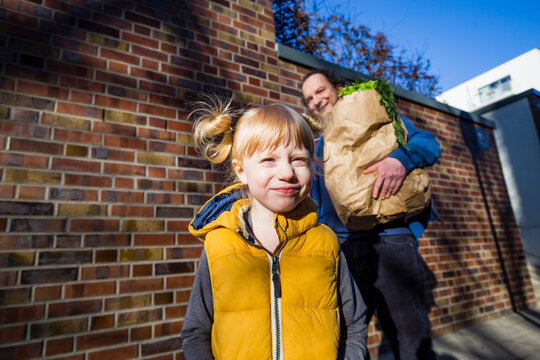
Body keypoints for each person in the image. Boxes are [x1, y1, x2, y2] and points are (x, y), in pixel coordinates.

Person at [180, 97, 368, 360]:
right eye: (269, 159)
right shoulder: (218, 245)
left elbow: (355, 322)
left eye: (299, 159)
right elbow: (195, 332)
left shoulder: (326, 242)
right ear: (241, 171)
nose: (287, 172)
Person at [301, 69, 441, 360]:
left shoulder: (377, 118)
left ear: (339, 88)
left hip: (391, 241)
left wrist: (400, 159)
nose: (315, 101)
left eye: (320, 91)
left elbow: (429, 143)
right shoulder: (319, 144)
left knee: (409, 335)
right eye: (309, 98)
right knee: (346, 336)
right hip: (343, 249)